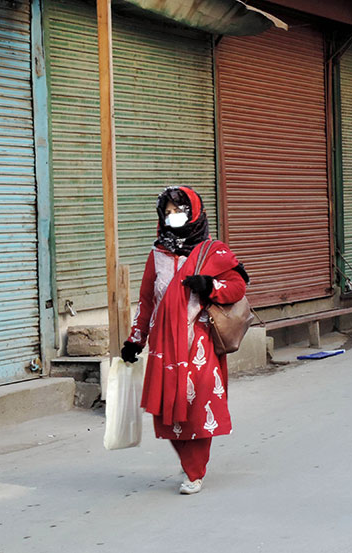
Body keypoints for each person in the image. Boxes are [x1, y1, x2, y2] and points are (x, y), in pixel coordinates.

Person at [120, 186, 249, 495]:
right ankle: (187, 457)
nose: (173, 217)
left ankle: (195, 469)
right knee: (169, 409)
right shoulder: (157, 255)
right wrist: (135, 341)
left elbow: (238, 286)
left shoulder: (212, 251)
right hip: (165, 345)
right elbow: (147, 301)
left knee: (199, 404)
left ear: (193, 213)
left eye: (179, 211)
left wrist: (209, 285)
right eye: (167, 212)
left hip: (199, 342)